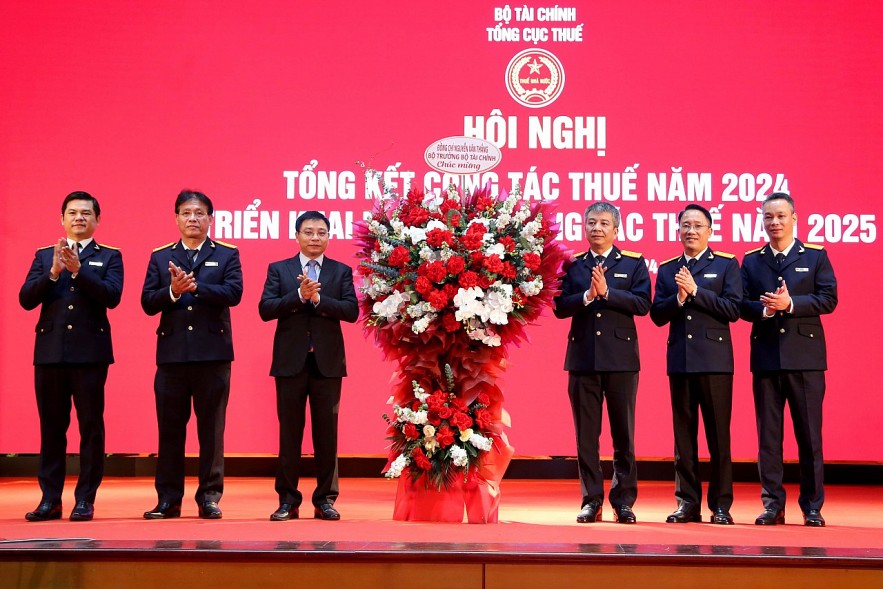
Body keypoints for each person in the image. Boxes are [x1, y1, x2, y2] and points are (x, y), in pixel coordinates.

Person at [19, 191, 124, 522]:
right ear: (62, 218)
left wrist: (80, 271)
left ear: (97, 220)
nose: (79, 217)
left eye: (86, 213)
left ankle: (85, 499)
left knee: (90, 427)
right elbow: (25, 299)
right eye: (73, 212)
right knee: (51, 427)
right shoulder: (42, 255)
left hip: (90, 354)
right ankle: (50, 499)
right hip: (50, 353)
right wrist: (51, 273)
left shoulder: (109, 256)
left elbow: (112, 297)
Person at [141, 190, 243, 520]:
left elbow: (234, 293)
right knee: (170, 430)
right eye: (186, 213)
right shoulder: (160, 257)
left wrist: (197, 287)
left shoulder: (227, 254)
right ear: (176, 218)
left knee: (211, 431)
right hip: (171, 357)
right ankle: (168, 500)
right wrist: (173, 291)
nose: (193, 219)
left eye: (199, 213)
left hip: (213, 356)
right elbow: (147, 302)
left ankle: (209, 497)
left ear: (210, 220)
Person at [741, 192, 837, 527]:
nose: (774, 223)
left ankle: (812, 506)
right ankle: (772, 505)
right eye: (768, 217)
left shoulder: (814, 256)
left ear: (794, 218)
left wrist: (791, 304)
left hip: (806, 359)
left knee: (809, 437)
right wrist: (766, 308)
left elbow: (828, 299)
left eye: (781, 216)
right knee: (769, 438)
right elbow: (741, 305)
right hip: (766, 358)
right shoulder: (752, 261)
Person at [553, 202, 651, 524]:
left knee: (624, 436)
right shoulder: (574, 266)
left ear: (616, 229)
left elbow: (642, 304)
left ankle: (623, 501)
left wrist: (607, 293)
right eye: (591, 222)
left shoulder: (633, 264)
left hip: (621, 361)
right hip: (583, 360)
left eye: (604, 223)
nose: (597, 228)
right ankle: (590, 500)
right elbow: (559, 306)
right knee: (586, 437)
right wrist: (586, 297)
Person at [259, 211, 358, 521]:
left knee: (327, 434)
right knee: (290, 434)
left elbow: (351, 311)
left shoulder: (341, 271)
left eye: (321, 232)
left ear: (329, 237)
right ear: (297, 236)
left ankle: (325, 499)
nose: (315, 237)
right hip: (290, 363)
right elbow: (266, 309)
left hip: (327, 364)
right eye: (309, 232)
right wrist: (299, 296)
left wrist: (317, 301)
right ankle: (287, 500)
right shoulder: (280, 269)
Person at [650, 204, 742, 525]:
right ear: (678, 231)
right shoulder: (667, 268)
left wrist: (696, 292)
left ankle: (721, 505)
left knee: (718, 438)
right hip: (680, 363)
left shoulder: (727, 265)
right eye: (685, 225)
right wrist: (678, 297)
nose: (691, 231)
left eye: (697, 225)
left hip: (716, 363)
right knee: (684, 439)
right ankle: (687, 502)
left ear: (710, 231)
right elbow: (657, 314)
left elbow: (733, 309)